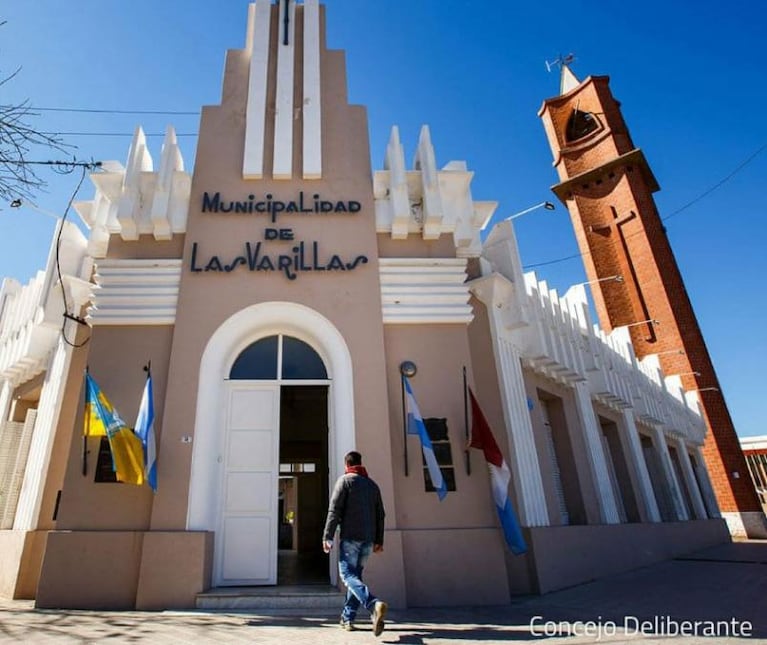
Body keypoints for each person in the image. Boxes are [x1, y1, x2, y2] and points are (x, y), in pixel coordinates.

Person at [322, 450, 388, 635]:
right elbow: (380, 515)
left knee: (347, 576)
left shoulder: (345, 481)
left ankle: (374, 605)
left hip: (350, 537)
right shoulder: (372, 485)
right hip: (368, 540)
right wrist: (379, 540)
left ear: (347, 465)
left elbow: (334, 510)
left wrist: (327, 536)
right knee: (355, 579)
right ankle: (348, 618)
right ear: (361, 463)